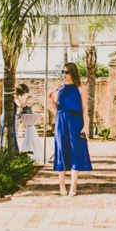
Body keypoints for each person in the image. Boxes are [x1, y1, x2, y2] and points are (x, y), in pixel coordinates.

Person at [49, 63, 92, 196]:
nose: (64, 74)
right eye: (63, 72)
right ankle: (61, 184)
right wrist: (51, 100)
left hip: (76, 121)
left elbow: (84, 107)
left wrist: (86, 125)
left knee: (76, 151)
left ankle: (73, 185)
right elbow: (57, 107)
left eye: (67, 72)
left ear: (73, 72)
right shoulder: (60, 87)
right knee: (61, 150)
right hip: (61, 120)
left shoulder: (80, 87)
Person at [0, 83, 29, 153]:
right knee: (9, 134)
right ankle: (11, 152)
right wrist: (26, 105)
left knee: (10, 134)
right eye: (24, 93)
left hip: (9, 116)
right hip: (7, 117)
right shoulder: (15, 96)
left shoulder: (13, 95)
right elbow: (20, 105)